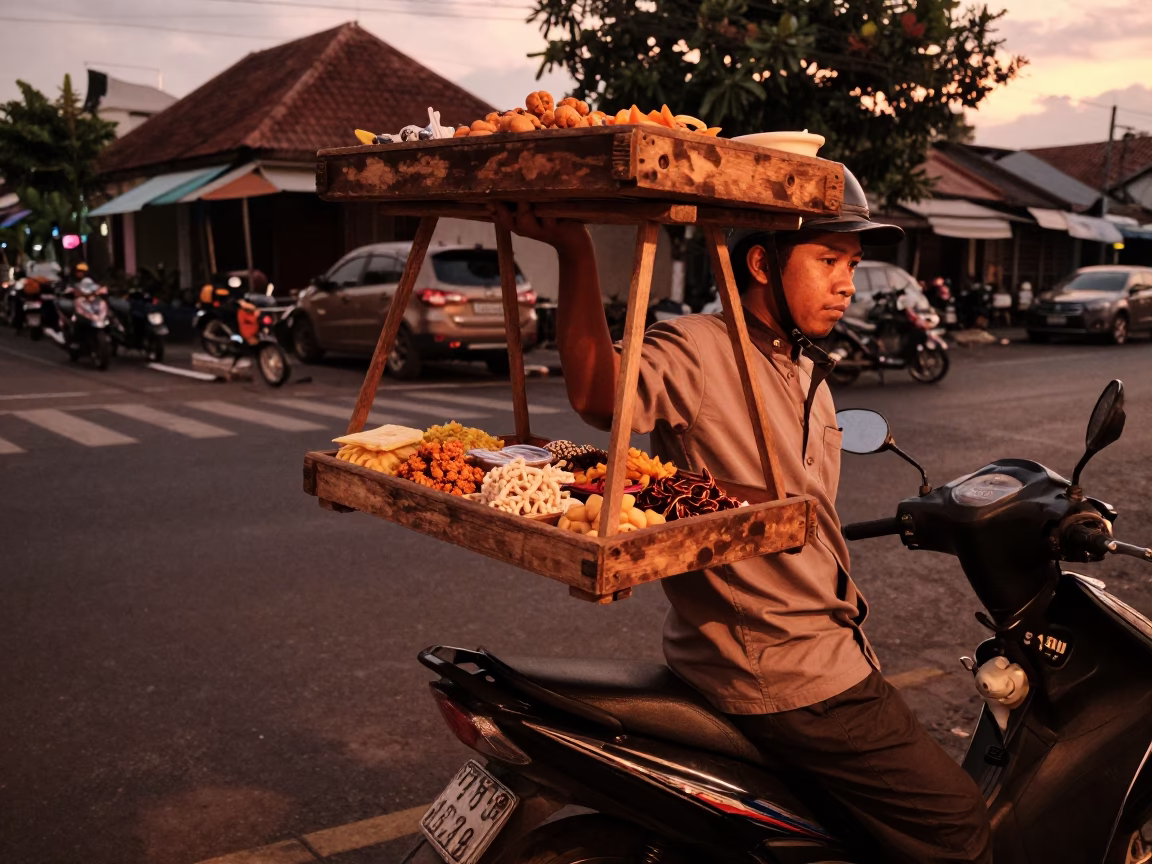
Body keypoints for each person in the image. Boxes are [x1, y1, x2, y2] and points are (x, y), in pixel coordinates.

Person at [496, 166, 992, 863]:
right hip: (787, 668)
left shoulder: (807, 368)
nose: (848, 283)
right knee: (958, 827)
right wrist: (574, 253)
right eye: (827, 262)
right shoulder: (700, 348)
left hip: (821, 644)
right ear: (761, 263)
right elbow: (600, 396)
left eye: (851, 264)